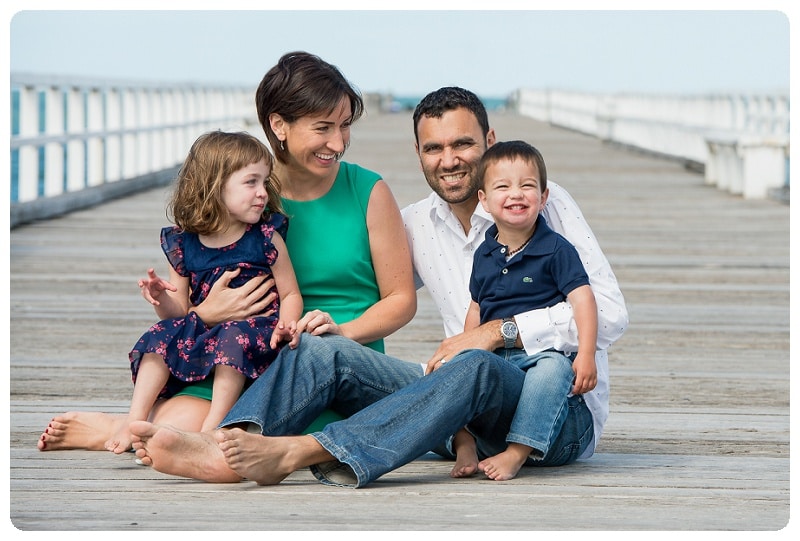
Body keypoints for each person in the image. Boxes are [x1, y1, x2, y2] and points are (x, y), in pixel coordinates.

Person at [127, 86, 628, 488]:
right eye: (434, 148)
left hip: (554, 416)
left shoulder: (539, 201)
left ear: (491, 141)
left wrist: (499, 332)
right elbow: (376, 288)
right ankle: (226, 443)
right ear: (418, 154)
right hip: (459, 419)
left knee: (473, 363)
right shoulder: (417, 224)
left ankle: (303, 451)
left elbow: (609, 312)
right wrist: (213, 306)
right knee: (323, 349)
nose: (449, 160)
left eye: (463, 144)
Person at [37, 51, 417, 452]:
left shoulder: (368, 191)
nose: (338, 143)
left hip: (333, 357)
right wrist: (204, 313)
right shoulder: (245, 192)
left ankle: (123, 429)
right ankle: (131, 426)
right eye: (323, 128)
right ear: (278, 125)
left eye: (344, 126)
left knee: (263, 430)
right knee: (180, 424)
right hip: (238, 351)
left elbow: (401, 300)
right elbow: (193, 280)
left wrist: (342, 334)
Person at [105, 131, 304, 455]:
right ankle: (134, 418)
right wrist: (161, 298)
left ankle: (214, 424)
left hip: (255, 331)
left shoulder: (266, 237)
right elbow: (180, 311)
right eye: (251, 182)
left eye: (265, 182)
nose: (262, 193)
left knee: (232, 336)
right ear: (214, 185)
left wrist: (287, 324)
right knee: (159, 334)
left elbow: (291, 293)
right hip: (205, 327)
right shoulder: (185, 243)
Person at [446, 139, 598, 480]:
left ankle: (517, 451)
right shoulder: (484, 254)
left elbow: (584, 300)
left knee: (554, 369)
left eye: (527, 186)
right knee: (453, 372)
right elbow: (476, 306)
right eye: (503, 186)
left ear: (543, 198)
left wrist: (585, 353)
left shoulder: (557, 249)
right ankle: (464, 442)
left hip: (537, 357)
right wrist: (465, 345)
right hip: (496, 363)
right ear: (484, 200)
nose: (516, 194)